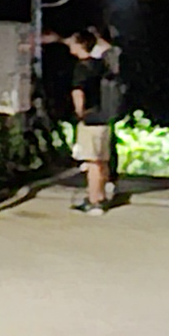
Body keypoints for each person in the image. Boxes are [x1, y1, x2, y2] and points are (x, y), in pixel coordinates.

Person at [68, 28, 121, 213]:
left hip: (90, 119)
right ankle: (102, 196)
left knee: (92, 163)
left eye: (73, 41)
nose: (70, 44)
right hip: (105, 117)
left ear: (81, 45)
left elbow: (78, 92)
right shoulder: (101, 65)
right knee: (102, 161)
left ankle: (93, 200)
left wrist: (79, 113)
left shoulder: (81, 68)